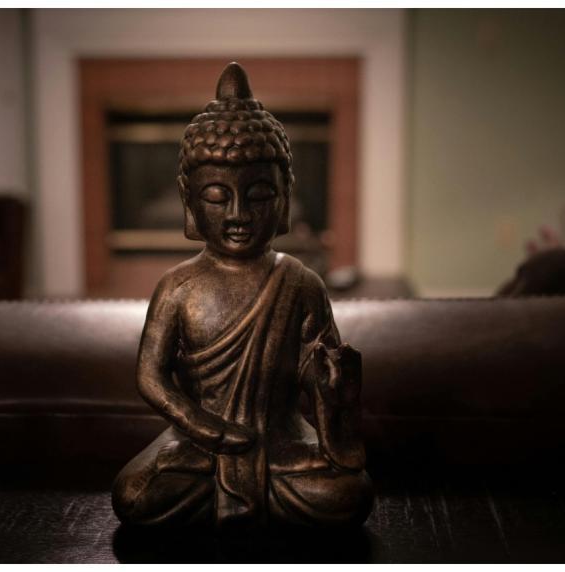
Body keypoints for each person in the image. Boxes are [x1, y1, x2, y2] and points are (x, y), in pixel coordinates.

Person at [112, 63, 372, 529]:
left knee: (349, 493)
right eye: (216, 196)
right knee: (133, 496)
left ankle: (239, 498)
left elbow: (317, 370)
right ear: (188, 201)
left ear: (285, 198)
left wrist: (333, 388)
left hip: (281, 441)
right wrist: (199, 424)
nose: (238, 214)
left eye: (257, 195)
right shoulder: (177, 287)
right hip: (198, 445)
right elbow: (151, 376)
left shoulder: (301, 283)